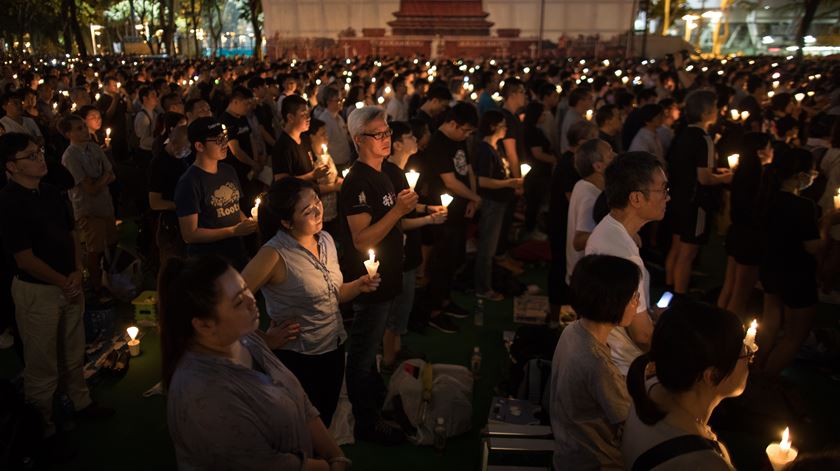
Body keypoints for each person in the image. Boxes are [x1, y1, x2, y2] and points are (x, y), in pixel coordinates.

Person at [161, 255, 350, 471]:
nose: (253, 301)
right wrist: (329, 467)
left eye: (246, 288)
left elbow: (300, 401)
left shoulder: (246, 337)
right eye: (239, 302)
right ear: (204, 325)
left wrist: (335, 455)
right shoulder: (204, 398)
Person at [0, 132, 114, 452]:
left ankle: (80, 401)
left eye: (39, 152)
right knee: (42, 364)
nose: (40, 160)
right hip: (38, 291)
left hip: (69, 283)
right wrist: (62, 280)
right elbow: (24, 258)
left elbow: (72, 232)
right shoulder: (8, 202)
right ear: (11, 166)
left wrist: (77, 271)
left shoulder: (51, 192)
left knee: (73, 349)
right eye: (31, 156)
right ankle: (44, 428)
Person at [241, 177, 379, 427]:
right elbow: (229, 304)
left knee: (324, 419)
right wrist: (265, 339)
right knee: (299, 428)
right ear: (286, 222)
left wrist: (358, 285)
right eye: (307, 210)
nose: (318, 210)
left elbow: (334, 295)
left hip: (334, 348)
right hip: (300, 359)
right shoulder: (274, 254)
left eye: (317, 201)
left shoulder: (325, 239)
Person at [339, 106, 417, 444]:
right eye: (378, 134)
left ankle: (375, 403)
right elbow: (361, 240)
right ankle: (366, 422)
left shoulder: (383, 172)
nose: (386, 139)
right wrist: (398, 211)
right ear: (359, 140)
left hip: (388, 276)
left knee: (369, 349)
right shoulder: (357, 180)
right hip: (368, 281)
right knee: (360, 354)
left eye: (387, 133)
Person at [622, 302, 750, 470]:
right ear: (712, 375)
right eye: (745, 354)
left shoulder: (650, 386)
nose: (749, 359)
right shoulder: (705, 464)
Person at [550, 254, 640, 470]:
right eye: (633, 297)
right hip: (596, 462)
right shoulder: (597, 362)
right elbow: (630, 423)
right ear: (614, 302)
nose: (637, 303)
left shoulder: (573, 330)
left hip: (567, 449)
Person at [585, 151, 665, 375]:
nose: (667, 197)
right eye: (663, 190)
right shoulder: (623, 254)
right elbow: (642, 336)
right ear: (636, 198)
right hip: (626, 369)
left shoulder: (608, 228)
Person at [379, 121, 447, 371]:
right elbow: (399, 221)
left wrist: (428, 208)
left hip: (407, 251)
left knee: (404, 301)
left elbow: (407, 207)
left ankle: (396, 348)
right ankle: (388, 358)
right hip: (399, 252)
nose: (415, 139)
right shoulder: (390, 174)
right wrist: (430, 219)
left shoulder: (400, 171)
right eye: (409, 136)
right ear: (396, 144)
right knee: (396, 305)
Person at [756, 148, 824, 377]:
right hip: (797, 274)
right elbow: (813, 246)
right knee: (796, 335)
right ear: (798, 175)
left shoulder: (766, 197)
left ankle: (753, 371)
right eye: (811, 172)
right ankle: (766, 378)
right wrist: (829, 221)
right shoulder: (803, 206)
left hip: (771, 268)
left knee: (770, 323)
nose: (814, 176)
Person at [665, 90, 732, 296]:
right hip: (696, 203)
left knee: (676, 248)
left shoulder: (682, 134)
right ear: (705, 113)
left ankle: (669, 290)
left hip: (677, 197)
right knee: (688, 252)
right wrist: (727, 177)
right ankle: (680, 297)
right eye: (714, 109)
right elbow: (704, 178)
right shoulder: (705, 139)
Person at [424, 102, 482, 333]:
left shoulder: (459, 141)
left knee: (454, 259)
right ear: (451, 123)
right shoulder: (437, 143)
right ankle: (434, 311)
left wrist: (472, 197)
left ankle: (446, 301)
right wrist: (475, 198)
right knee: (441, 262)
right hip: (442, 213)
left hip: (461, 209)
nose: (467, 135)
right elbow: (449, 181)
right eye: (465, 130)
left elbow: (467, 170)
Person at [174, 117, 257, 270]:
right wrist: (232, 231)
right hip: (210, 262)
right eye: (218, 140)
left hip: (237, 252)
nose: (225, 143)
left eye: (225, 137)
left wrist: (248, 223)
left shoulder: (228, 170)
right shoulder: (189, 182)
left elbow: (234, 208)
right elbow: (190, 234)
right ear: (199, 146)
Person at [59, 114, 118, 296]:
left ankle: (112, 280)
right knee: (95, 249)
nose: (85, 130)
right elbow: (89, 188)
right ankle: (96, 287)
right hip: (88, 209)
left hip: (105, 205)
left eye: (84, 126)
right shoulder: (70, 156)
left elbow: (112, 174)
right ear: (68, 134)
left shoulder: (94, 147)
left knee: (111, 243)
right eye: (78, 128)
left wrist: (99, 181)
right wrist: (102, 179)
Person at [717, 133, 774, 315]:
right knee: (741, 292)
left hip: (736, 231)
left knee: (729, 285)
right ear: (761, 152)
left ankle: (716, 322)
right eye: (769, 147)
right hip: (749, 236)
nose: (771, 151)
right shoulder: (758, 175)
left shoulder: (742, 170)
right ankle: (727, 333)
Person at [473, 110, 522, 300]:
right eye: (502, 125)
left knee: (490, 247)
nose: (505, 129)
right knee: (487, 248)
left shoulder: (495, 147)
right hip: (491, 202)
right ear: (493, 126)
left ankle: (487, 283)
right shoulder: (485, 150)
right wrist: (509, 183)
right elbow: (483, 181)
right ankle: (483, 288)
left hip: (500, 201)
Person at [566, 139, 615, 281]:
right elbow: (579, 241)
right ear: (599, 166)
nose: (616, 157)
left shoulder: (582, 184)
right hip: (588, 275)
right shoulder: (590, 195)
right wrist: (619, 229)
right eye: (611, 155)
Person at [148, 124, 191, 265]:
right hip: (170, 226)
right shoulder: (159, 163)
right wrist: (180, 205)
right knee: (172, 266)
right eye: (184, 147)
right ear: (172, 143)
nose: (187, 151)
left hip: (185, 220)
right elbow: (155, 202)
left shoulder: (182, 158)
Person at [272, 94, 329, 183]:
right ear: (290, 117)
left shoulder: (305, 139)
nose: (308, 118)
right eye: (303, 114)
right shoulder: (282, 147)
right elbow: (281, 182)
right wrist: (312, 176)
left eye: (308, 113)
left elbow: (312, 164)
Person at [314, 87, 353, 168]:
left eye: (341, 100)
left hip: (345, 160)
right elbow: (323, 146)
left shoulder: (339, 117)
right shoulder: (324, 121)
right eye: (338, 100)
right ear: (328, 102)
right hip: (336, 163)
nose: (341, 102)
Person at [560, 87, 594, 154]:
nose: (592, 101)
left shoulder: (576, 115)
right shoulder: (574, 119)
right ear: (580, 102)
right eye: (590, 99)